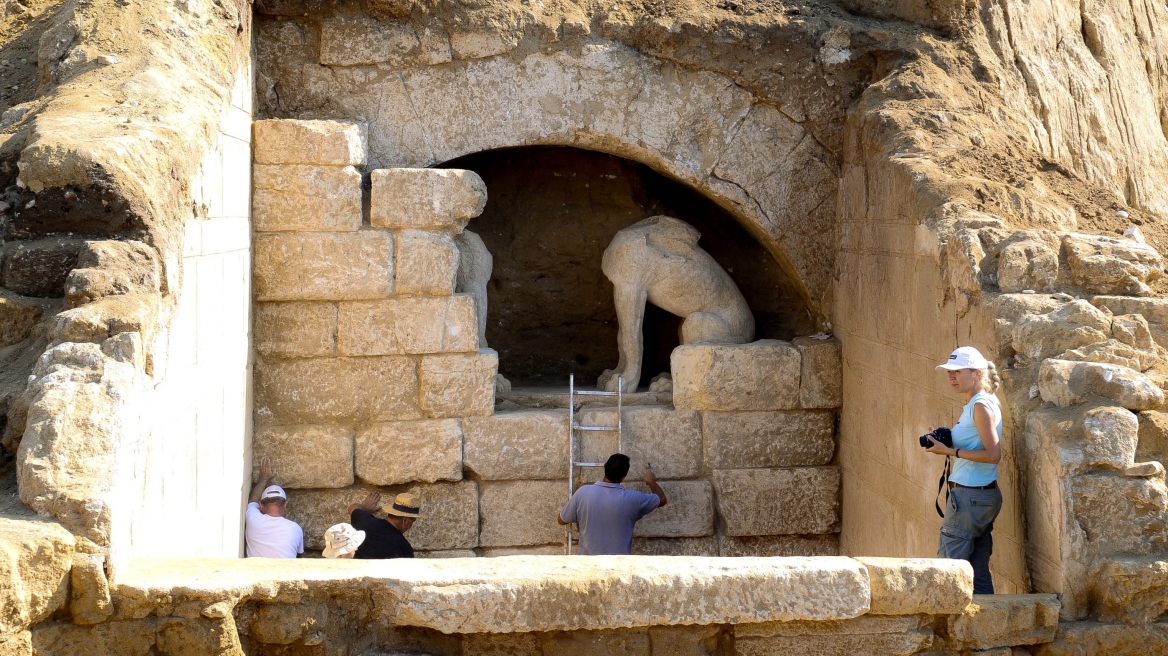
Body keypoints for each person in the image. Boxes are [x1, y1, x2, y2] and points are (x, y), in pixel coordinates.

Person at [926, 345, 1003, 594]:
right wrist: (949, 439)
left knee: (949, 568)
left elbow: (993, 455)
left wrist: (949, 452)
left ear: (977, 373)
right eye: (949, 372)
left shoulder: (979, 406)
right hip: (981, 496)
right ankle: (987, 626)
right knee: (978, 570)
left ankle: (947, 629)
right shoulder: (983, 401)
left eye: (958, 372)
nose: (951, 377)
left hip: (969, 497)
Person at [557, 453, 668, 555]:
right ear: (624, 477)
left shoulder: (583, 492)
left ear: (605, 466)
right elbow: (662, 499)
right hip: (617, 568)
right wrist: (651, 481)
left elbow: (561, 520)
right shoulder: (633, 499)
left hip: (588, 567)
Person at [244, 456, 304, 558]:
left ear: (261, 505)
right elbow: (299, 555)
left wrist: (264, 479)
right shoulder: (296, 529)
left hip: (255, 573)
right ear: (285, 505)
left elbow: (253, 500)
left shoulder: (253, 520)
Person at [345, 491, 421, 559]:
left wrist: (366, 507)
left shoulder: (365, 522)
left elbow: (352, 507)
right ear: (406, 520)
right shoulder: (404, 547)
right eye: (413, 521)